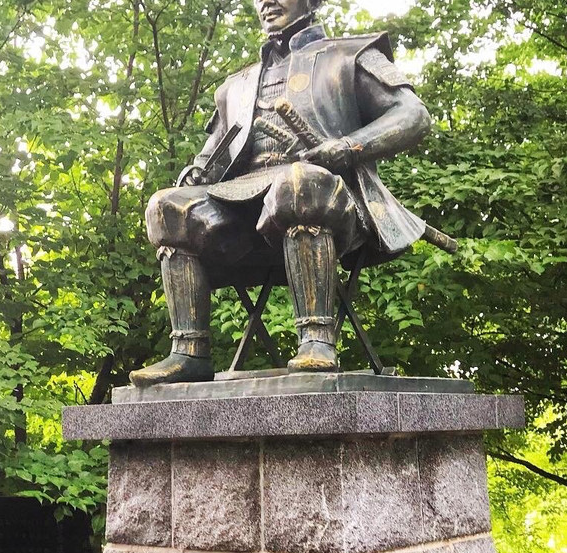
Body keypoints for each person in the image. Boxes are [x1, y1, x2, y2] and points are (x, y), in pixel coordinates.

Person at [131, 0, 434, 386]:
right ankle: (188, 351)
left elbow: (412, 115)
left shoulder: (352, 54)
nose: (267, 2)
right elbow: (212, 155)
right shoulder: (236, 85)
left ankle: (317, 339)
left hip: (332, 196)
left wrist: (347, 147)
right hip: (243, 206)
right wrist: (194, 173)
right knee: (165, 206)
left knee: (299, 183)